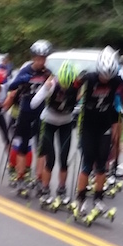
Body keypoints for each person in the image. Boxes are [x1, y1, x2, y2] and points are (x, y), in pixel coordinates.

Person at [73, 46, 123, 215]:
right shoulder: (90, 78)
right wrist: (77, 83)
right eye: (103, 76)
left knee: (101, 164)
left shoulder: (116, 80)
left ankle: (98, 199)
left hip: (105, 126)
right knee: (87, 163)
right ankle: (80, 200)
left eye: (108, 77)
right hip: (88, 126)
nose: (105, 80)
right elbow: (73, 88)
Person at [5, 40, 53, 195]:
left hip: (41, 112)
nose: (40, 61)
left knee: (42, 146)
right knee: (23, 145)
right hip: (25, 111)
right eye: (38, 58)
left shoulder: (48, 73)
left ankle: (39, 179)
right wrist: (23, 80)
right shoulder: (26, 70)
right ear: (33, 57)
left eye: (43, 58)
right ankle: (20, 178)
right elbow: (11, 86)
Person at [31, 60, 80, 205]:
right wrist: (45, 89)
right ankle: (45, 189)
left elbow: (81, 104)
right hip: (48, 122)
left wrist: (77, 108)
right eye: (63, 85)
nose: (65, 89)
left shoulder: (77, 86)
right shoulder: (52, 84)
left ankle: (61, 189)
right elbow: (33, 103)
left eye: (68, 86)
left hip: (66, 123)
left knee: (64, 159)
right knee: (50, 160)